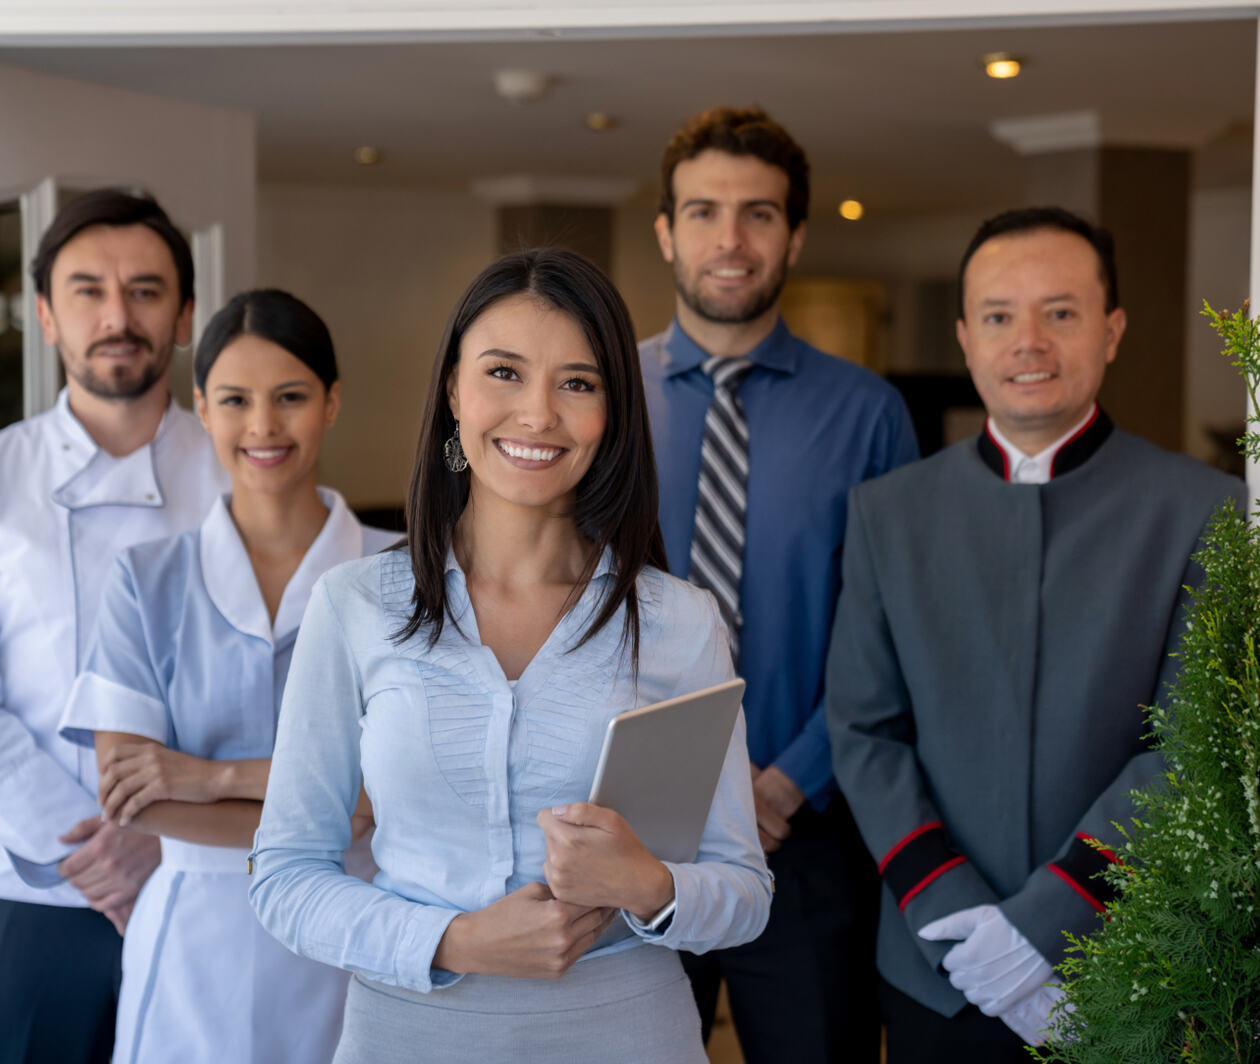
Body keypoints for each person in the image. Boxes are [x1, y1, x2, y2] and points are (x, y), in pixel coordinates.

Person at [248, 248, 772, 1064]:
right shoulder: (353, 604)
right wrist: (452, 941)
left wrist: (648, 885)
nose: (537, 415)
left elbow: (744, 892)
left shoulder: (681, 622)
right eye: (503, 372)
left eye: (577, 382)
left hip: (628, 1035)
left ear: (613, 415)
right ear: (454, 391)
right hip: (406, 1036)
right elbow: (282, 877)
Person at [825, 206, 1245, 1063]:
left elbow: (1192, 748)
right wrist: (959, 918)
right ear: (965, 338)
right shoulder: (888, 514)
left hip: (1128, 963)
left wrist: (1052, 918)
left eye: (1061, 312)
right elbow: (865, 733)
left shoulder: (1205, 511)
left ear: (1112, 330)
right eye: (999, 316)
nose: (1029, 342)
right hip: (936, 964)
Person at [639, 105, 918, 1062]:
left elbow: (885, 635)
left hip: (806, 837)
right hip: (633, 829)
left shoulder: (871, 414)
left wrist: (785, 783)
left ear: (795, 234)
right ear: (667, 231)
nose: (730, 239)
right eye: (704, 211)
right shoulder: (596, 398)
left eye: (758, 214)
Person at [56, 288, 394, 1063]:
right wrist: (328, 805)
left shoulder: (401, 578)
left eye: (291, 398)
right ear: (201, 408)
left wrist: (205, 779)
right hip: (191, 948)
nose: (264, 426)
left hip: (356, 932)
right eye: (236, 400)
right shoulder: (147, 581)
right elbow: (131, 798)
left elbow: (391, 797)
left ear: (332, 403)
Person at [0, 189, 226, 1063]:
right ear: (48, 317)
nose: (117, 315)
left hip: (212, 882)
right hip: (39, 893)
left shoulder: (243, 475)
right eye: (88, 290)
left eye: (144, 290)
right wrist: (90, 848)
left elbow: (283, 694)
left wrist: (160, 832)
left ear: (183, 317)